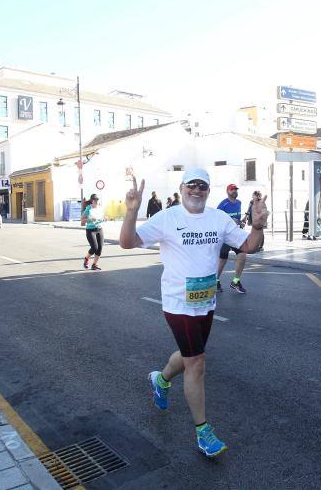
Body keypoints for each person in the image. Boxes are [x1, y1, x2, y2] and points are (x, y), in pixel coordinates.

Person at [119, 168, 267, 457]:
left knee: (190, 357)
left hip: (206, 301)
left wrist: (258, 227)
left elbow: (249, 246)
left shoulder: (218, 219)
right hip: (178, 304)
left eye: (203, 186)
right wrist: (131, 212)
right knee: (197, 362)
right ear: (182, 187)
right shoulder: (167, 217)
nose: (197, 190)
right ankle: (203, 432)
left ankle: (160, 380)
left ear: (209, 191)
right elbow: (127, 241)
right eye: (192, 185)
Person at [216, 184, 248, 293]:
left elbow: (237, 218)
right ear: (227, 191)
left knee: (243, 254)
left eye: (235, 189)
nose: (234, 191)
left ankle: (235, 281)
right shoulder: (223, 204)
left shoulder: (239, 203)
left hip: (235, 235)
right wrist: (230, 221)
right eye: (232, 189)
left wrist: (240, 222)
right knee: (223, 260)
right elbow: (217, 220)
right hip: (225, 235)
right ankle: (215, 281)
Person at [81, 194, 105, 270]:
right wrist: (90, 220)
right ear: (92, 201)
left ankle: (94, 264)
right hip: (90, 230)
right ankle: (86, 259)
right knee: (94, 247)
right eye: (95, 200)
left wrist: (104, 218)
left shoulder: (100, 208)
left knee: (99, 248)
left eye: (97, 200)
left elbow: (102, 217)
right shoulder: (88, 208)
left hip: (99, 229)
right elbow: (83, 219)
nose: (96, 201)